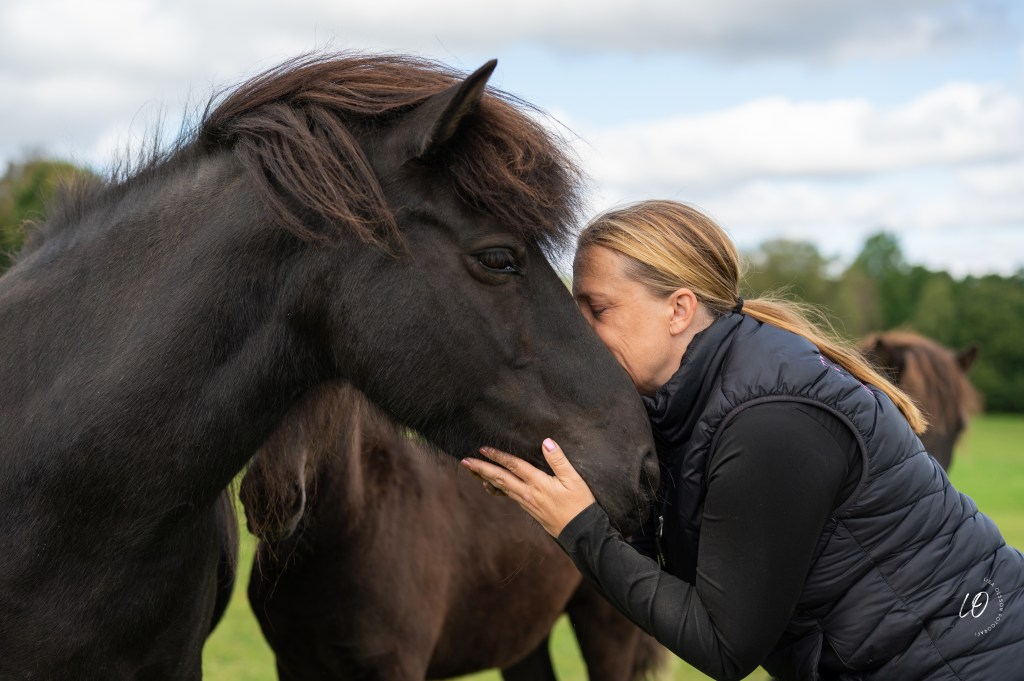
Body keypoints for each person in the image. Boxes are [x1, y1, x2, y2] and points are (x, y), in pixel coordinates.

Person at [461, 200, 1024, 681]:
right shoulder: (694, 399)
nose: (579, 333)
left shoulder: (770, 420)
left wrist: (579, 528)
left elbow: (724, 647)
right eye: (574, 307)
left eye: (598, 309)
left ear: (679, 309)